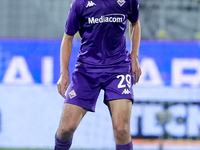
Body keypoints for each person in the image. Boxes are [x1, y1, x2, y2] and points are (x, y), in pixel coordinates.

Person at [54, 0, 141, 149]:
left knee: (121, 130)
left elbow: (135, 24)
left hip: (118, 68)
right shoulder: (80, 3)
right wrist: (64, 74)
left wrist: (134, 56)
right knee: (66, 129)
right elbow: (67, 38)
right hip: (86, 70)